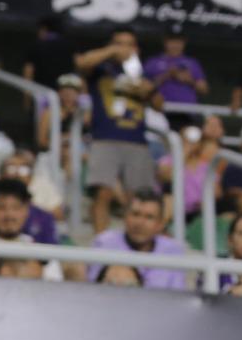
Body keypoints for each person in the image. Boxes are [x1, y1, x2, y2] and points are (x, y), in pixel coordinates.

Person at [77, 26, 155, 234]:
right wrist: (112, 51)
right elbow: (82, 62)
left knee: (137, 199)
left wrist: (149, 90)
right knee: (103, 192)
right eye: (119, 43)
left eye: (129, 44)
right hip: (105, 138)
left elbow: (159, 104)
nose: (124, 49)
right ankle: (101, 243)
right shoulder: (101, 68)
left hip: (137, 141)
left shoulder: (140, 71)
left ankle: (134, 242)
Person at [90, 190, 188, 291]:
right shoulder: (105, 242)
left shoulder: (173, 250)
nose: (140, 223)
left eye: (149, 217)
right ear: (125, 216)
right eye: (135, 214)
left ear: (160, 224)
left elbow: (177, 295)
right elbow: (94, 289)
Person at [156, 115, 222, 223]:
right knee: (169, 202)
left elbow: (217, 191)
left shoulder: (206, 166)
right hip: (173, 209)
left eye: (195, 139)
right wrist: (185, 151)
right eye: (186, 138)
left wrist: (203, 201)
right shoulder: (167, 160)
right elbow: (166, 177)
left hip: (198, 211)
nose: (191, 142)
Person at [145, 31, 207, 128]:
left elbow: (204, 89)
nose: (175, 45)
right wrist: (167, 75)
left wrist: (189, 80)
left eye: (178, 41)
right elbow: (144, 88)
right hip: (160, 112)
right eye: (172, 41)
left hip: (187, 115)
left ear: (184, 42)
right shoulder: (153, 62)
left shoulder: (192, 63)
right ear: (165, 41)